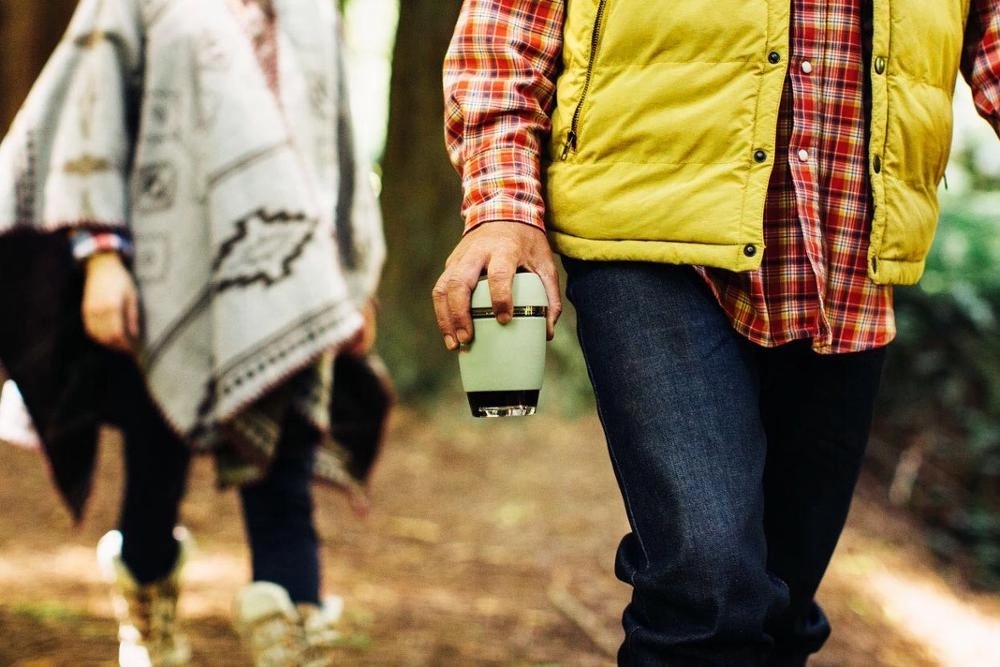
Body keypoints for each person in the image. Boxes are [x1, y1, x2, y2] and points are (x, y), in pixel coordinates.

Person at [433, 1, 1000, 664]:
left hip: (847, 242)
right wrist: (502, 205)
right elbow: (509, 18)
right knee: (707, 588)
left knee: (779, 609)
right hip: (644, 222)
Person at [0, 0, 389, 665]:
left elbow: (337, 152)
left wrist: (351, 282)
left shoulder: (312, 14)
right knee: (155, 469)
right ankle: (148, 619)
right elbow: (90, 117)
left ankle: (293, 636)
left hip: (286, 286)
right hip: (164, 284)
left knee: (283, 476)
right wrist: (100, 258)